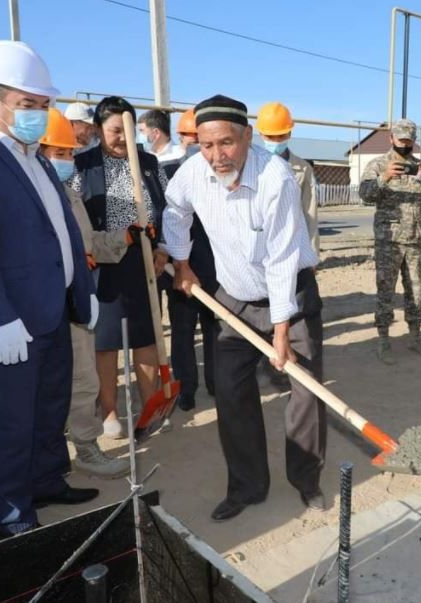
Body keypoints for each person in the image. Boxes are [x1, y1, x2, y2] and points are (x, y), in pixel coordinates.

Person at [0, 40, 99, 539]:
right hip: (9, 322)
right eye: (27, 105)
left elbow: (62, 232)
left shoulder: (36, 159)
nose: (37, 115)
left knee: (49, 406)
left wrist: (85, 289)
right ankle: (13, 514)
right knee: (12, 421)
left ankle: (48, 481)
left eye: (43, 105)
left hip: (52, 311)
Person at [162, 94, 326, 521]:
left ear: (248, 137)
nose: (216, 155)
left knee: (304, 390)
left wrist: (281, 331)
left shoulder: (276, 179)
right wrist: (182, 264)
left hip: (290, 294)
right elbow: (174, 211)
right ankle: (247, 487)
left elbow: (282, 259)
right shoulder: (193, 172)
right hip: (232, 298)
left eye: (227, 143)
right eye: (207, 144)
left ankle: (307, 481)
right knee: (231, 392)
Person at [69, 96, 168, 439]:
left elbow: (165, 209)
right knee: (106, 342)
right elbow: (74, 216)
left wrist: (162, 249)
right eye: (114, 131)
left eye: (127, 130)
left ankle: (150, 404)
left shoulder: (149, 163)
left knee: (145, 336)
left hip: (143, 262)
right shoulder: (83, 166)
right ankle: (109, 411)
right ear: (98, 130)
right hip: (102, 264)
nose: (122, 138)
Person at [39, 108, 130, 478]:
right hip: (41, 305)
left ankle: (87, 449)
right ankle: (47, 458)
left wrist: (122, 238)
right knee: (46, 384)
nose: (68, 160)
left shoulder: (68, 194)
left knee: (83, 379)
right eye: (60, 153)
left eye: (69, 152)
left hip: (74, 301)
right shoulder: (27, 197)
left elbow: (89, 242)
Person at [359, 119, 421, 365]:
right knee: (386, 291)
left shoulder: (420, 167)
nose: (405, 144)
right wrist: (384, 177)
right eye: (401, 139)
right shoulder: (377, 165)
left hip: (415, 239)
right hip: (390, 241)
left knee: (416, 291)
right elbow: (365, 195)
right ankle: (383, 340)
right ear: (391, 138)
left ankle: (415, 337)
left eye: (409, 140)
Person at [164, 122, 218, 412]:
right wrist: (177, 262)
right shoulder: (172, 173)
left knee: (215, 330)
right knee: (183, 332)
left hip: (215, 269)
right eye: (190, 137)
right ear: (181, 138)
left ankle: (215, 383)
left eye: (202, 139)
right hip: (180, 269)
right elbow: (168, 222)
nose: (196, 143)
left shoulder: (223, 175)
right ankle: (185, 389)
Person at [256, 102, 319, 254]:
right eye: (271, 137)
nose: (276, 141)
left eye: (281, 136)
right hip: (256, 244)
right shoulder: (248, 164)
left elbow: (310, 213)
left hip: (290, 244)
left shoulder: (303, 169)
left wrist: (312, 253)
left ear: (290, 133)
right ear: (261, 134)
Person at [137, 109, 184, 174]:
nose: (139, 135)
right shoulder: (142, 159)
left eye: (142, 130)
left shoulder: (181, 155)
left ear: (156, 133)